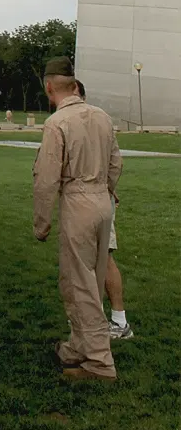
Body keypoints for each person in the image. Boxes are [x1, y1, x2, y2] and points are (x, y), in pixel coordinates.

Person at [32, 56, 122, 381]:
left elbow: (46, 178)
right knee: (91, 281)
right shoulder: (102, 117)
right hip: (102, 201)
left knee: (78, 283)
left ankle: (99, 362)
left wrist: (41, 223)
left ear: (49, 87)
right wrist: (106, 190)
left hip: (78, 201)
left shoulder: (57, 123)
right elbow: (116, 163)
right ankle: (79, 346)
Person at [75, 79, 133, 340]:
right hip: (94, 198)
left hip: (91, 199)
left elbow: (115, 162)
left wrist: (105, 188)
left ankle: (119, 321)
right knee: (88, 259)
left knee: (103, 258)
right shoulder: (99, 121)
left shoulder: (85, 123)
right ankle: (94, 317)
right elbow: (115, 163)